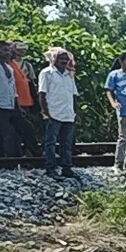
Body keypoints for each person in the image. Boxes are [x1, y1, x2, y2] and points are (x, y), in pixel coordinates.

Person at [37, 49, 79, 178]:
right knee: (50, 143)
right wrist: (45, 112)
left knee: (66, 143)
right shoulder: (46, 73)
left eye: (66, 59)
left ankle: (67, 168)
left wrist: (76, 113)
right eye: (61, 59)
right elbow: (42, 94)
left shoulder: (69, 75)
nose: (64, 61)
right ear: (54, 59)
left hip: (68, 114)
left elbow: (73, 96)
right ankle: (51, 168)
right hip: (53, 113)